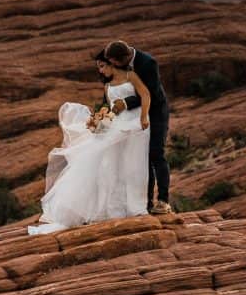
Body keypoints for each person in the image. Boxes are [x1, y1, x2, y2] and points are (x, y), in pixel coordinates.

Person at [27, 51, 153, 235]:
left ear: (112, 63)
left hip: (133, 125)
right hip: (118, 126)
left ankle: (134, 206)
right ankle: (110, 208)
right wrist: (100, 121)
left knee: (132, 166)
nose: (101, 71)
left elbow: (144, 96)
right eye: (99, 68)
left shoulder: (131, 76)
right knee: (108, 164)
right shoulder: (108, 85)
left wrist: (139, 115)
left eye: (102, 66)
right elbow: (110, 109)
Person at [104, 40, 172, 214]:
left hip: (155, 114)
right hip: (131, 118)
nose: (113, 66)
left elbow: (152, 94)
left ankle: (163, 200)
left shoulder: (148, 63)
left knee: (156, 153)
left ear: (124, 58)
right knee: (141, 159)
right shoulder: (118, 69)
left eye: (114, 62)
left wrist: (125, 103)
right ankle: (145, 203)